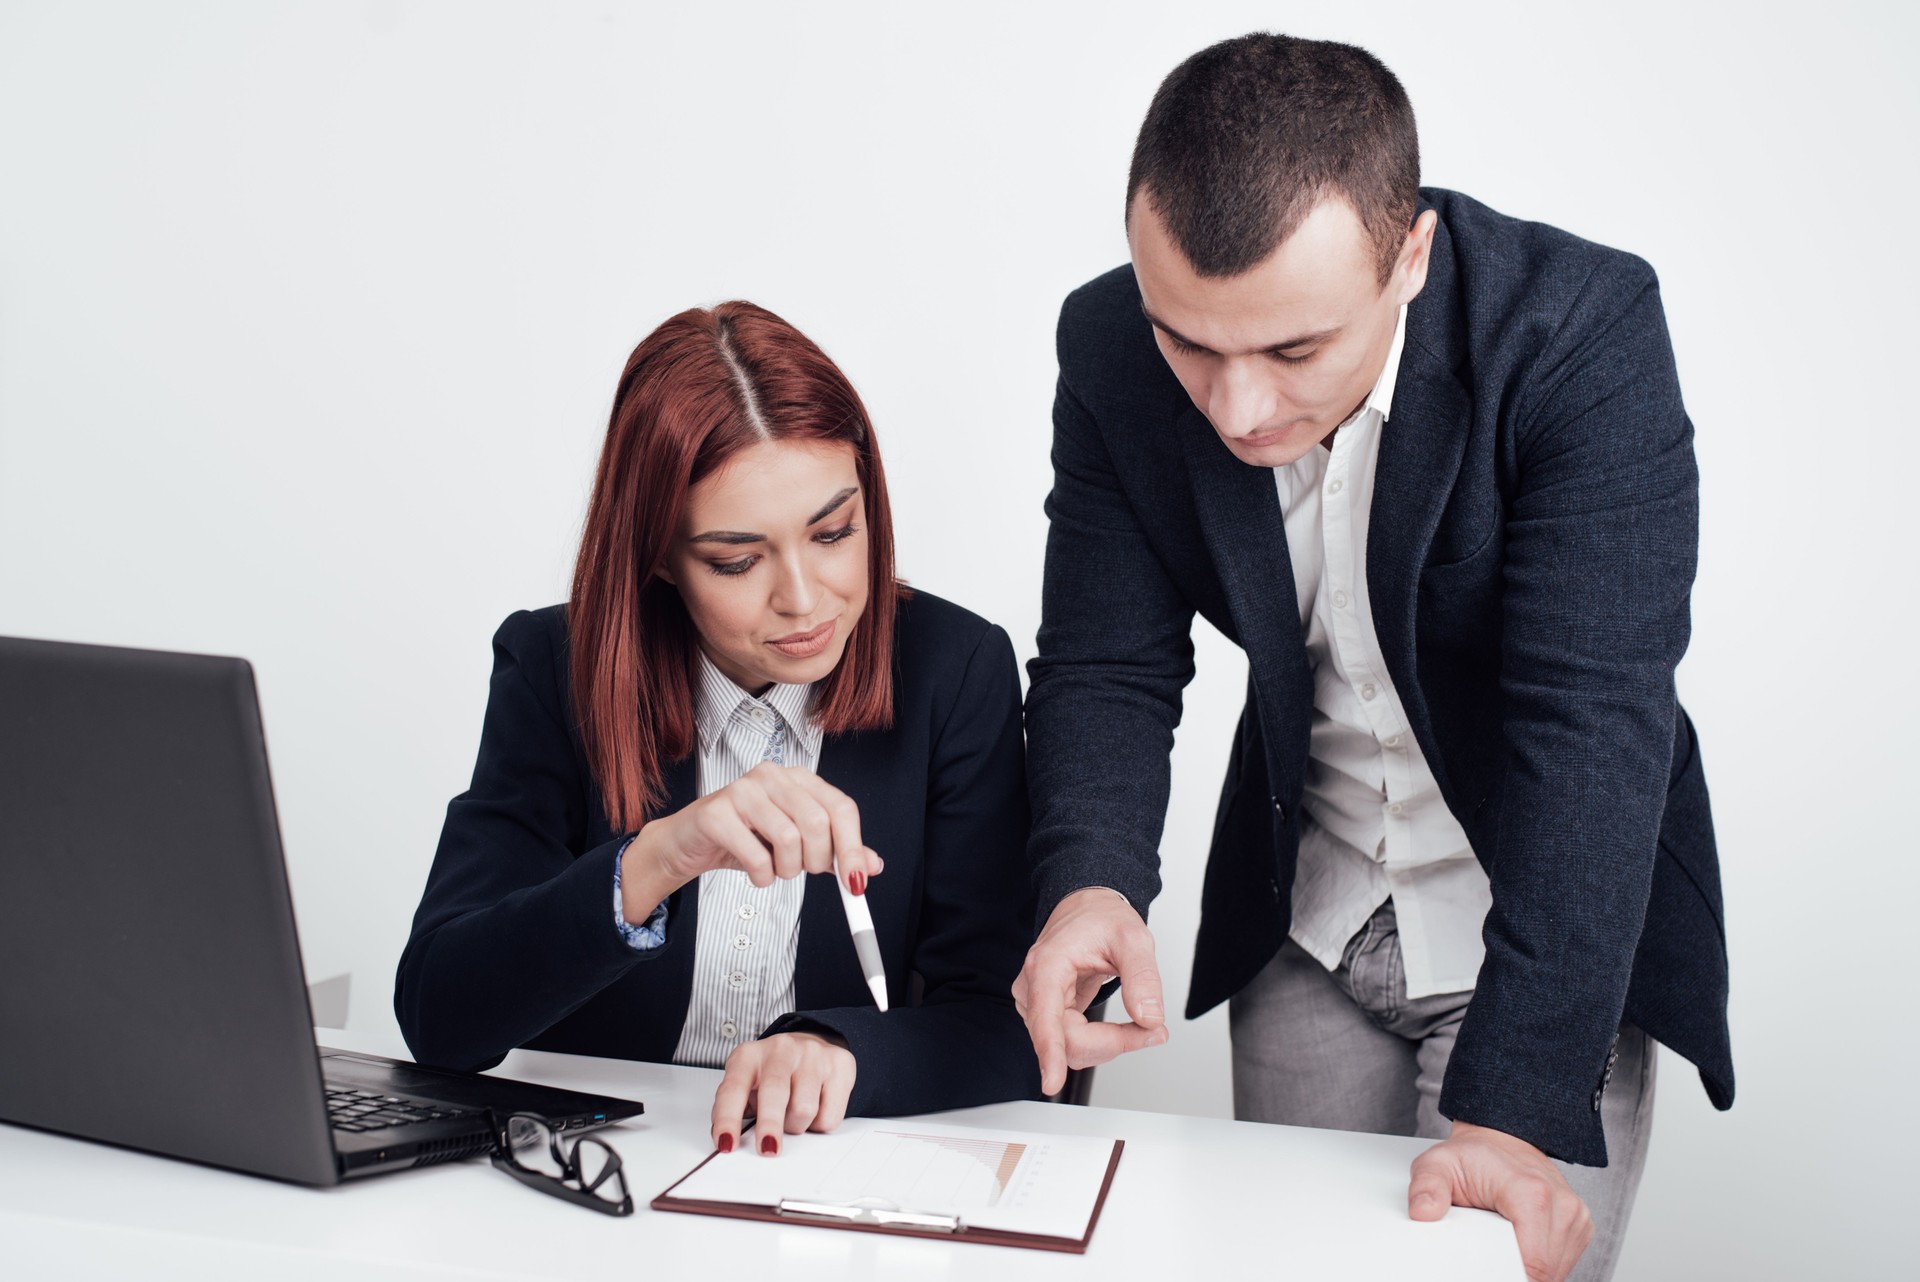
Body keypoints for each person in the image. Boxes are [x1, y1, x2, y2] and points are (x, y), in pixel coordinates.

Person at [1012, 34, 1731, 1282]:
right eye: (1191, 343)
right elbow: (1103, 664)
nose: (1236, 409)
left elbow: (1596, 728)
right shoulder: (1112, 348)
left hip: (1543, 931)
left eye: (1293, 352)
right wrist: (1090, 884)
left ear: (1411, 257)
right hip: (1312, 925)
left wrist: (1512, 1110)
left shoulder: (1580, 333)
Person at [396, 300, 1039, 1154]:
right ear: (657, 553)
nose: (805, 599)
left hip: (832, 1167)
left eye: (835, 532)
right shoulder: (558, 665)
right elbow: (441, 1018)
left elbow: (1008, 1017)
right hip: (602, 1165)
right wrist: (659, 859)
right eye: (737, 560)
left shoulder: (953, 669)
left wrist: (840, 1050)